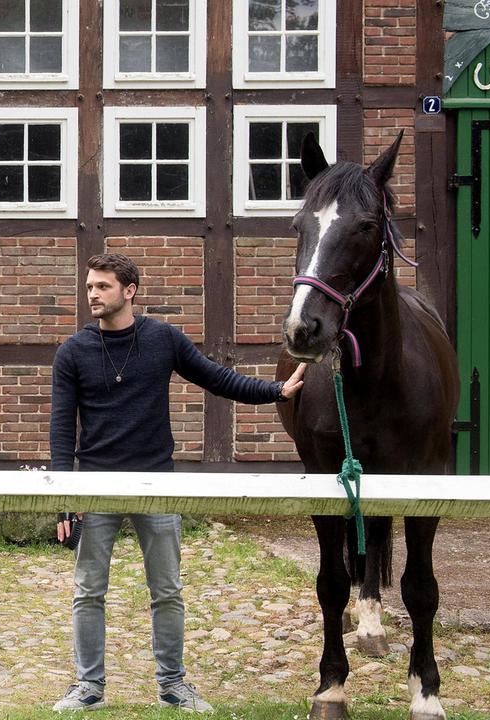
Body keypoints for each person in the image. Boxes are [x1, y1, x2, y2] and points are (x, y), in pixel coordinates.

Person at [49, 253, 305, 714]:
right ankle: (88, 686)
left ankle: (173, 684)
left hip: (156, 484)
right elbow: (61, 430)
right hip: (95, 486)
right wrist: (66, 498)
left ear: (130, 291)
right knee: (88, 591)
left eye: (103, 287)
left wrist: (275, 391)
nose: (92, 294)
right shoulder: (73, 352)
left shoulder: (163, 338)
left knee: (167, 591)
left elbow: (218, 379)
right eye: (89, 286)